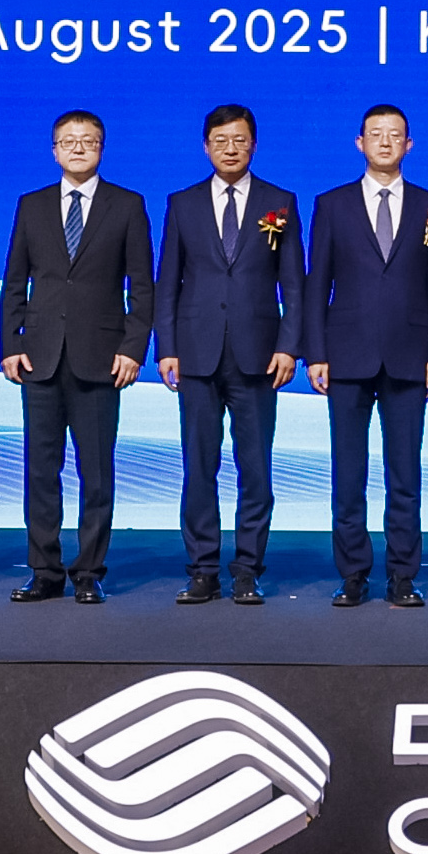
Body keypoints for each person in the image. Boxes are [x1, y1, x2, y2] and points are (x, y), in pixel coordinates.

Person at [0, 108, 153, 603]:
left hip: (101, 359)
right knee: (40, 471)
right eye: (69, 141)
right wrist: (10, 345)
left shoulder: (127, 205)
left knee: (97, 473)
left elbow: (142, 286)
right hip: (39, 358)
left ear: (101, 148)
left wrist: (133, 349)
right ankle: (44, 570)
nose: (79, 148)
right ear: (54, 151)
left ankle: (89, 571)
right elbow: (13, 281)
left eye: (88, 140)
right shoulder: (32, 205)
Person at [151, 102, 303, 606]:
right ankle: (202, 569)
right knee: (199, 467)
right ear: (206, 147)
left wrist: (289, 346)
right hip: (195, 354)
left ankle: (247, 569)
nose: (230, 149)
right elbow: (167, 282)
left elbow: (294, 285)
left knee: (255, 468)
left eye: (239, 140)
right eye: (220, 141)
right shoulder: (183, 203)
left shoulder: (280, 202)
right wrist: (167, 347)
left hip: (258, 355)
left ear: (253, 144)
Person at [304, 103, 428, 607]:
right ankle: (352, 574)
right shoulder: (332, 204)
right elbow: (316, 283)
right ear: (359, 143)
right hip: (345, 354)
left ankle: (403, 576)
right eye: (375, 134)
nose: (385, 142)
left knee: (404, 474)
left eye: (394, 135)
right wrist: (315, 352)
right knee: (348, 474)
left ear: (408, 145)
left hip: (410, 355)